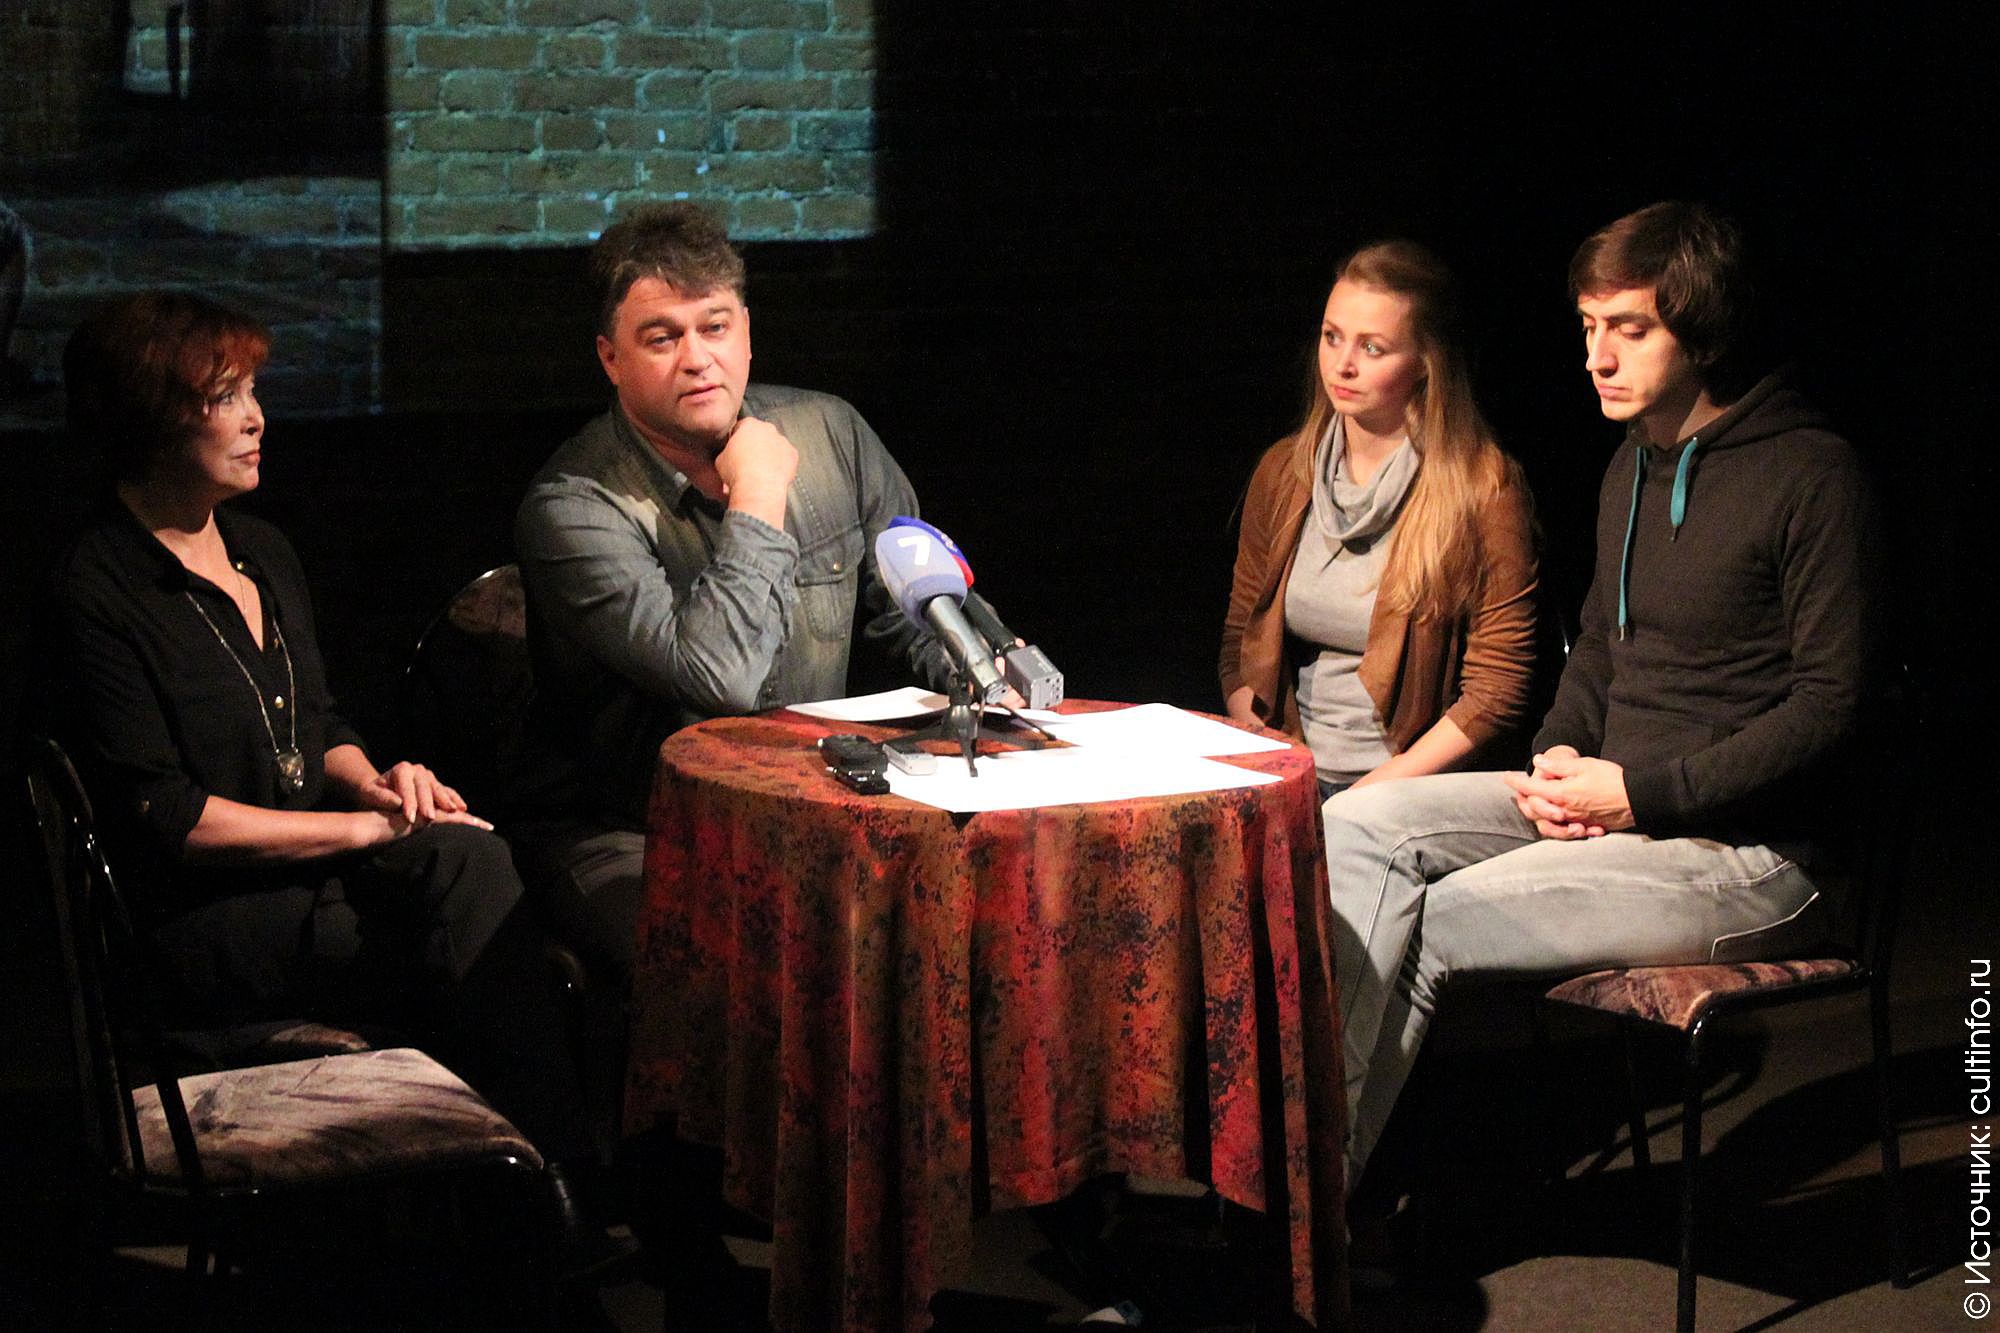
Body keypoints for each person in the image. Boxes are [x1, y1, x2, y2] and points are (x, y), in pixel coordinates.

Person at [40, 290, 626, 1276]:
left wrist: (381, 786)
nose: (256, 417)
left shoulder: (260, 550)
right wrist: (360, 835)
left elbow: (318, 729)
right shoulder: (97, 588)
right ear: (152, 417)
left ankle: (512, 1192)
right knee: (459, 918)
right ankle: (544, 1195)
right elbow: (170, 820)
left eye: (253, 391)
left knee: (466, 856)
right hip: (198, 921)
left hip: (302, 880)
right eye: (226, 397)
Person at [1324, 202, 1881, 1198]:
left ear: (1700, 331)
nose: (1597, 357)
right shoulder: (1630, 465)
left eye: (1629, 329)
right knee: (1353, 829)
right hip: (1619, 805)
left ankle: (1316, 1212)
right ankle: (1301, 1193)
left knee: (1431, 916)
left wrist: (1641, 795)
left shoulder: (1812, 475)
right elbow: (1597, 649)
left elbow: (1831, 706)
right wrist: (1556, 757)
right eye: (1587, 327)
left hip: (1755, 854)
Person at [512, 202, 947, 974]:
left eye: (714, 327)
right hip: (641, 832)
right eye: (662, 337)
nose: (697, 358)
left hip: (816, 804)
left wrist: (991, 669)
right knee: (745, 960)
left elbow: (916, 611)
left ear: (745, 331)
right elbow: (725, 678)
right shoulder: (573, 507)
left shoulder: (833, 432)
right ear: (610, 358)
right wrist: (758, 494)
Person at [1221, 239, 1539, 795]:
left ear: (1425, 364)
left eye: (1373, 348)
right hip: (1292, 767)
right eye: (1332, 337)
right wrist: (1270, 757)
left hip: (1402, 787)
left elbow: (1496, 690)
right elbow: (1240, 640)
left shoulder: (1481, 488)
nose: (1342, 364)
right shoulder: (1285, 471)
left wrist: (1368, 797)